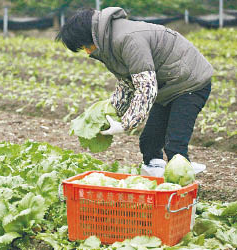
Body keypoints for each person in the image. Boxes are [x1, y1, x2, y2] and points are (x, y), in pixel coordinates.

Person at [56, 7, 212, 176]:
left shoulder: (128, 39)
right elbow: (127, 82)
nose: (87, 51)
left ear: (91, 35)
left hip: (190, 82)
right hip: (167, 86)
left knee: (175, 147)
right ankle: (158, 181)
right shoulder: (107, 43)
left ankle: (184, 189)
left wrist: (125, 124)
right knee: (149, 144)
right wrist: (112, 112)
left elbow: (146, 88)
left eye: (86, 45)